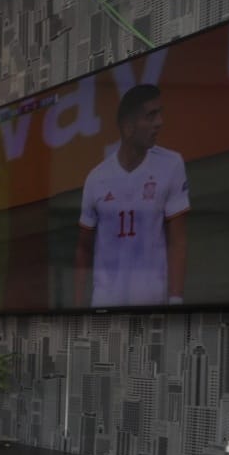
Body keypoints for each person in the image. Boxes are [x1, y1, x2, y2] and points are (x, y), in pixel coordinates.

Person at [74, 83, 190, 308]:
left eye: (160, 113)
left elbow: (178, 241)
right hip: (104, 306)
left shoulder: (171, 164)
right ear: (128, 127)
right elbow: (83, 248)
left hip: (152, 305)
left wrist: (176, 302)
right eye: (150, 116)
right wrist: (77, 308)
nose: (159, 122)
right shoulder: (96, 178)